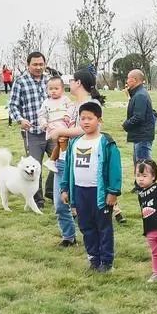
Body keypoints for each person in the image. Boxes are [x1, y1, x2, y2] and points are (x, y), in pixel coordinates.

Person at [45, 70, 107, 248]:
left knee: (82, 203)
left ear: (78, 82)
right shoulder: (73, 105)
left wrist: (60, 132)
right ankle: (69, 236)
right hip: (64, 157)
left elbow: (83, 129)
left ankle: (94, 238)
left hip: (82, 159)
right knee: (59, 202)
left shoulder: (91, 104)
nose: (69, 83)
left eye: (71, 80)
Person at [59, 101, 122, 273]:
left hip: (99, 193)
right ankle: (93, 258)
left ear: (99, 120)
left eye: (90, 118)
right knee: (86, 226)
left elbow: (114, 169)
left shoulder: (106, 142)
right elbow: (68, 167)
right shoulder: (75, 143)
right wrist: (65, 188)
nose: (86, 122)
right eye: (82, 118)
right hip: (80, 191)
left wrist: (113, 191)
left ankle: (106, 261)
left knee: (103, 227)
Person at [8, 52, 50, 209]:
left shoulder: (49, 80)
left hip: (50, 130)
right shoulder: (20, 81)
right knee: (34, 166)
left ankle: (52, 191)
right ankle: (38, 198)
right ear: (28, 65)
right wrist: (20, 119)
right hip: (32, 131)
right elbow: (12, 105)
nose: (38, 67)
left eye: (41, 64)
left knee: (60, 160)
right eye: (35, 64)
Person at [38, 76, 77, 173]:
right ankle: (55, 160)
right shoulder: (46, 102)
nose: (53, 91)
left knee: (64, 142)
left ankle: (56, 160)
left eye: (56, 88)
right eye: (50, 89)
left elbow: (72, 108)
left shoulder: (65, 99)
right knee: (62, 140)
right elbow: (41, 115)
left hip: (65, 123)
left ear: (62, 89)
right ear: (47, 90)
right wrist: (44, 124)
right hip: (53, 126)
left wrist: (68, 115)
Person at [122, 69, 157, 165]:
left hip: (142, 137)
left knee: (144, 167)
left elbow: (138, 117)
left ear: (134, 80)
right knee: (139, 166)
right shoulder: (138, 94)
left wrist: (125, 125)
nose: (127, 81)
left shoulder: (140, 95)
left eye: (128, 79)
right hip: (140, 136)